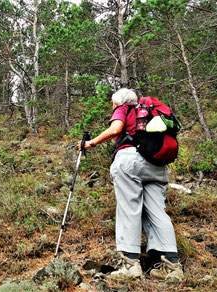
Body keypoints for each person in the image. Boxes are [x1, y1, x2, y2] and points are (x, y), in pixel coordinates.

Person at [77, 88, 183, 282]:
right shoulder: (148, 113)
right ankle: (172, 268)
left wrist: (91, 143)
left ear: (117, 102)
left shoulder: (123, 108)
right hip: (157, 164)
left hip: (130, 161)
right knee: (158, 212)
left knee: (128, 209)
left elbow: (116, 129)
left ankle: (130, 265)